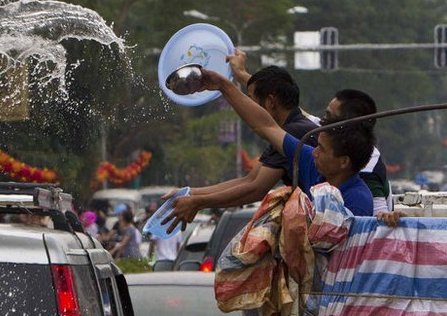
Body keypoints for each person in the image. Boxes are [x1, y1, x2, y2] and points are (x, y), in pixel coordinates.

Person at [179, 65, 375, 218]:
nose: (313, 151)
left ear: (344, 161)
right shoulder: (309, 160)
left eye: (321, 149)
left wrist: (198, 201)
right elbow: (265, 126)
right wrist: (223, 85)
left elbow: (254, 188)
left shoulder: (357, 201)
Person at [166, 62, 320, 225]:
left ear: (270, 102)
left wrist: (198, 202)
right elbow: (249, 179)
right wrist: (191, 194)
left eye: (251, 100)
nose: (247, 106)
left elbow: (256, 189)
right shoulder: (294, 128)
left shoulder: (292, 132)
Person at [324, 88, 392, 214]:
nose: (322, 122)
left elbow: (378, 220)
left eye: (329, 117)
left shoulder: (367, 169)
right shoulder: (328, 144)